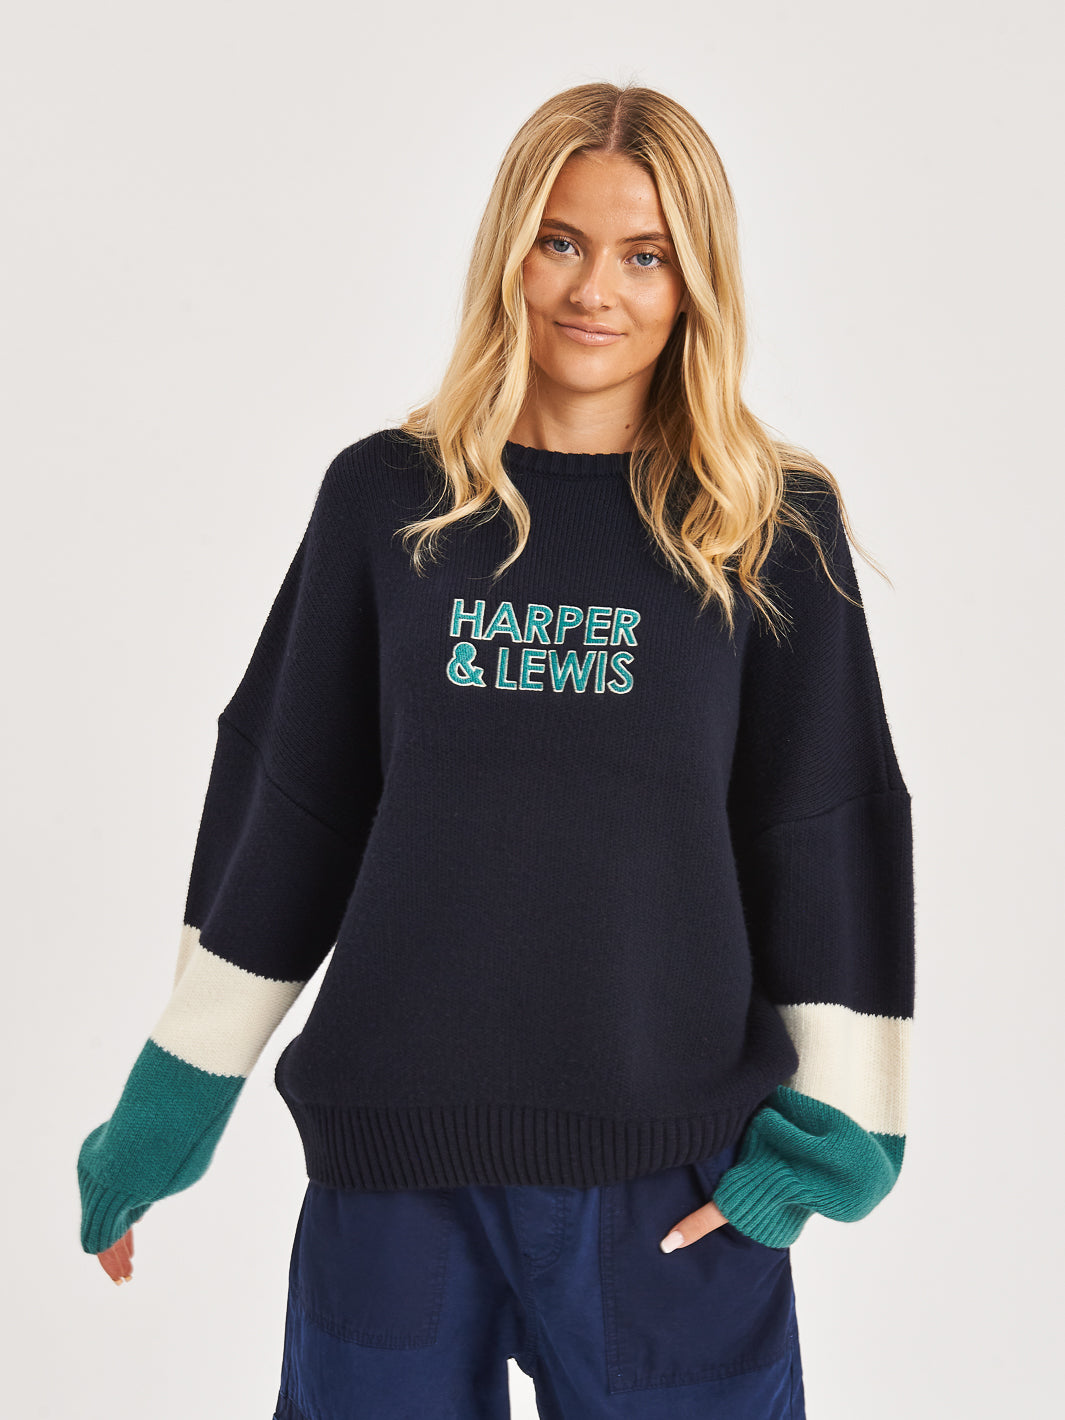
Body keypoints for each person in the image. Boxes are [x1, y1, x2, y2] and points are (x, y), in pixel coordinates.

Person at [76, 80, 915, 1420]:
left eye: (645, 255)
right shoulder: (387, 501)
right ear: (508, 252)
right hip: (395, 1178)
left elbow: (824, 829)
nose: (595, 290)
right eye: (559, 242)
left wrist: (837, 1146)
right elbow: (291, 811)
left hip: (670, 1182)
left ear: (696, 282)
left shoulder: (767, 524)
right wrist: (162, 1117)